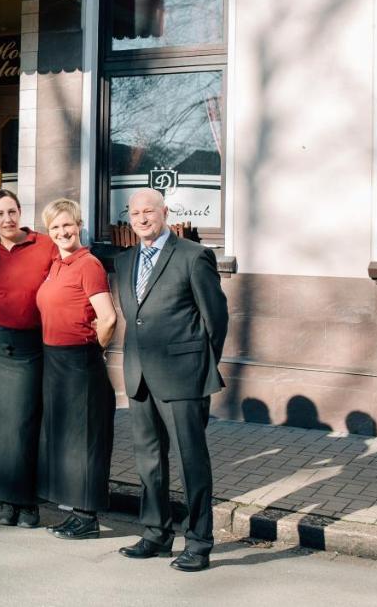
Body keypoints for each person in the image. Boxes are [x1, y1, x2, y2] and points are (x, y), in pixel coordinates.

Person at [115, 188, 229, 572]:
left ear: (165, 213)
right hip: (140, 375)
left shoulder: (194, 256)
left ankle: (198, 542)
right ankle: (156, 533)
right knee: (149, 461)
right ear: (129, 218)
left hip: (183, 377)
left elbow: (216, 320)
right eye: (135, 213)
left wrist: (200, 367)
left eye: (150, 211)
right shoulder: (125, 260)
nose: (143, 218)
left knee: (190, 462)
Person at [35, 198, 117, 540]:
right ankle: (74, 510)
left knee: (85, 441)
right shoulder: (57, 263)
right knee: (67, 440)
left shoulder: (89, 264)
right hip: (54, 359)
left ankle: (87, 516)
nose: (62, 232)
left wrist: (93, 347)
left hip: (80, 360)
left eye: (67, 225)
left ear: (79, 224)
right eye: (55, 227)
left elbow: (109, 317)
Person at [0, 188, 56, 528]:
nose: (7, 219)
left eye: (12, 212)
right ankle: (5, 499)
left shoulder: (44, 246)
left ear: (20, 212)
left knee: (23, 426)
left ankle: (28, 502)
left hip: (27, 348)